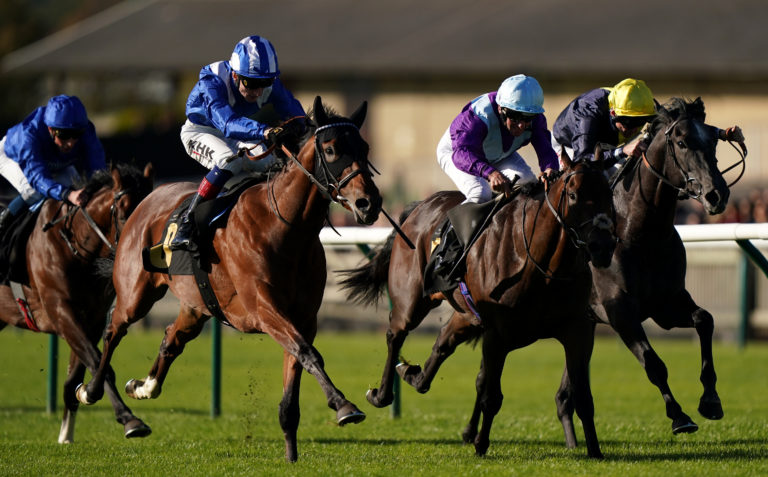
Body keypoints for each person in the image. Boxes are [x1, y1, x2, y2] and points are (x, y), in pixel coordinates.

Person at [171, 35, 305, 250]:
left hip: (239, 133)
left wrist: (304, 127)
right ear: (234, 74)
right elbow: (228, 123)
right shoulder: (212, 81)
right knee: (228, 160)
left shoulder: (265, 82)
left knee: (276, 165)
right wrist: (266, 131)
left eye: (265, 83)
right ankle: (187, 224)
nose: (258, 91)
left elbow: (297, 115)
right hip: (201, 131)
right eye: (251, 83)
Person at [552, 78, 744, 169]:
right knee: (586, 184)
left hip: (607, 147)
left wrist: (722, 134)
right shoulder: (588, 111)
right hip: (569, 146)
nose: (632, 129)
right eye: (626, 121)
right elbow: (583, 159)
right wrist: (622, 151)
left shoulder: (644, 107)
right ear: (612, 112)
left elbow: (680, 126)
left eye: (639, 122)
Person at [436, 74, 558, 205]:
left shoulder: (537, 119)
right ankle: (453, 226)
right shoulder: (478, 116)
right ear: (500, 108)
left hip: (499, 154)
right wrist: (490, 173)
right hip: (458, 152)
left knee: (528, 184)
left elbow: (546, 150)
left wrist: (550, 168)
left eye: (528, 117)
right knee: (480, 194)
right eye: (515, 116)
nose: (521, 125)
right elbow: (462, 153)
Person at [0, 95, 106, 235]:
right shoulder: (29, 137)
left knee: (79, 188)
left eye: (76, 134)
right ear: (50, 129)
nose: (71, 143)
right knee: (34, 191)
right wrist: (67, 194)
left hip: (53, 162)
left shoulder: (86, 131)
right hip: (12, 157)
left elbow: (98, 170)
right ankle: (3, 223)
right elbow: (37, 178)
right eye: (64, 135)